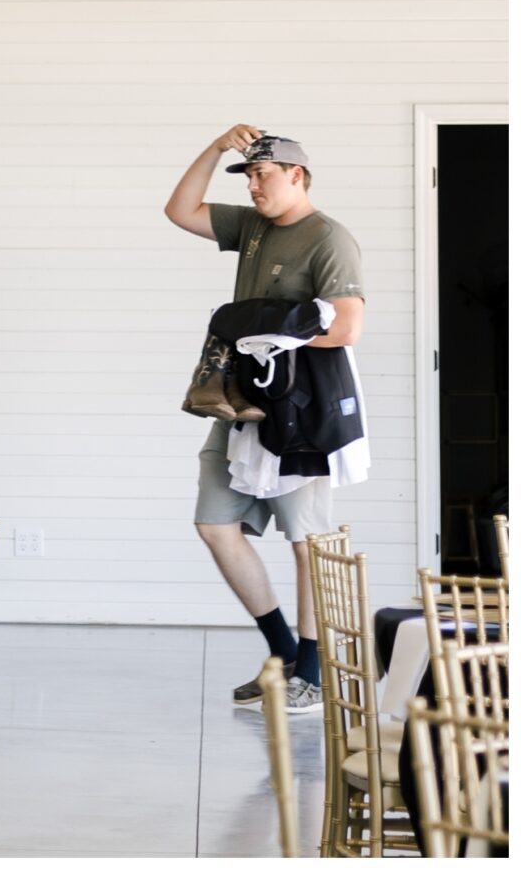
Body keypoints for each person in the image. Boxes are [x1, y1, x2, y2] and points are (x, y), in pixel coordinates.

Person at [165, 125, 365, 715]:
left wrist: (270, 334)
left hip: (301, 410)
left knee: (306, 541)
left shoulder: (329, 239)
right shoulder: (252, 228)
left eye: (262, 175)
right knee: (214, 523)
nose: (253, 186)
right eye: (248, 176)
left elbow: (348, 328)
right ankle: (280, 651)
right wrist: (216, 147)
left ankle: (313, 670)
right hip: (239, 404)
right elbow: (180, 211)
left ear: (296, 176)